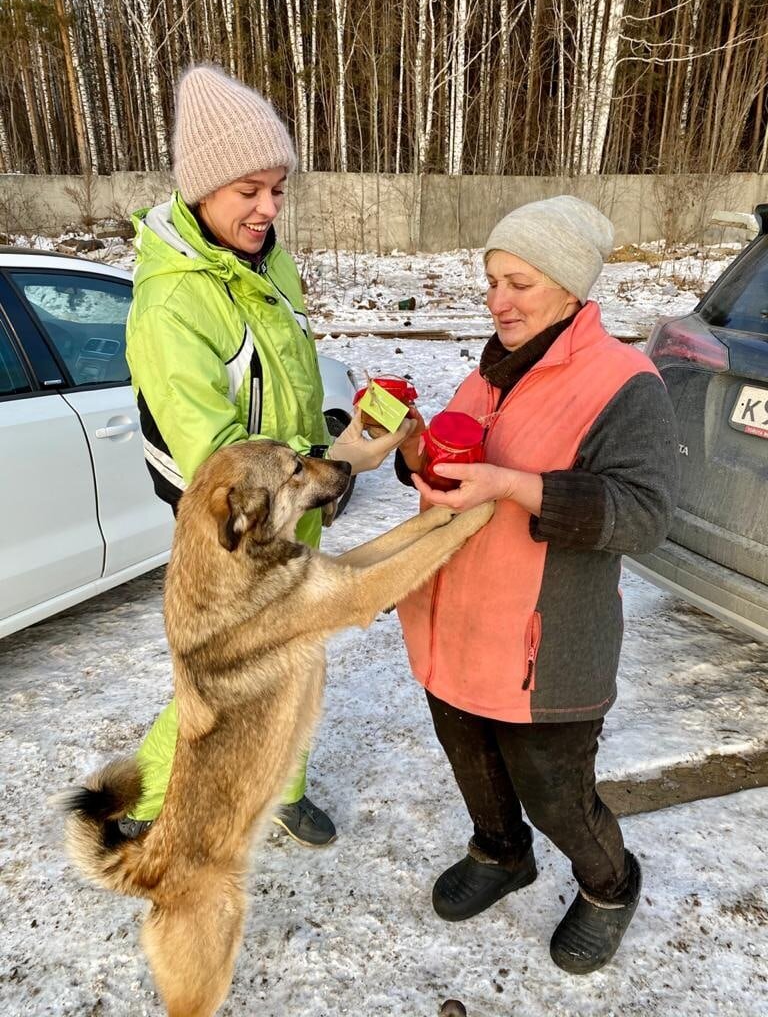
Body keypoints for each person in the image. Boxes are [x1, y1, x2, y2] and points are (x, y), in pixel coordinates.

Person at [123, 65, 410, 848]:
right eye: (249, 189)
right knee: (225, 675)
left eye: (278, 189)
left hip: (294, 491)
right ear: (203, 187)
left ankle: (285, 785)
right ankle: (144, 797)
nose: (267, 208)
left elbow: (276, 387)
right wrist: (326, 469)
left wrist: (333, 435)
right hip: (242, 524)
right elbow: (220, 458)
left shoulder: (262, 263)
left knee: (299, 652)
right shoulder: (174, 302)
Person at [394, 196, 679, 973]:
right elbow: (457, 465)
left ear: (566, 286)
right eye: (491, 280)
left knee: (555, 791)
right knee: (472, 761)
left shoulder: (625, 382)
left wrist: (515, 486)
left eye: (518, 282)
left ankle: (610, 886)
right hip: (455, 622)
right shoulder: (492, 369)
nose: (498, 301)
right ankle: (500, 852)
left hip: (543, 647)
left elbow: (646, 515)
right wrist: (416, 452)